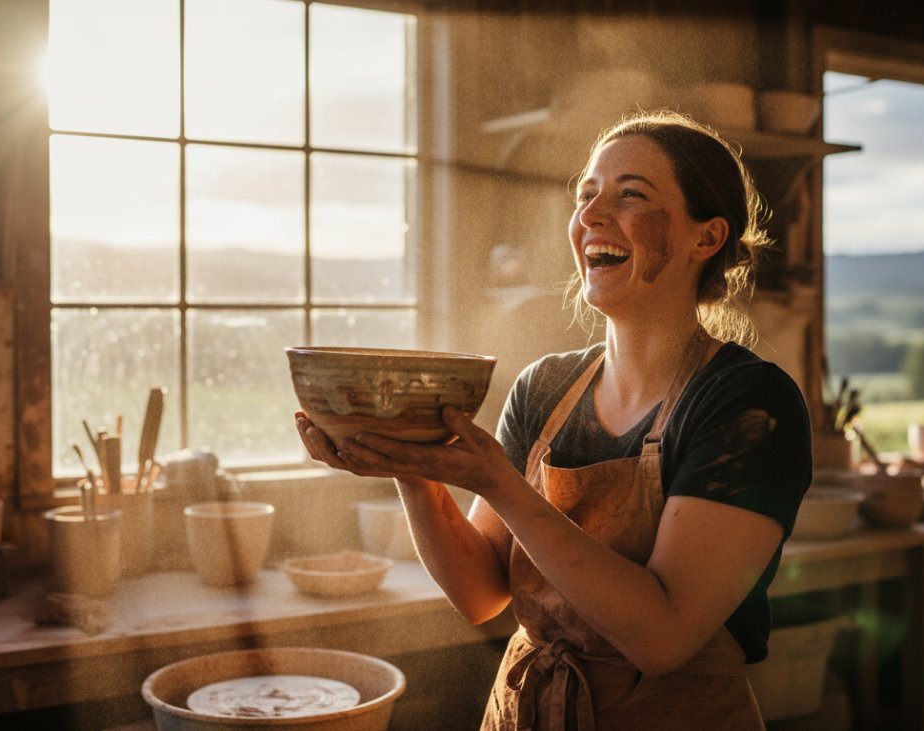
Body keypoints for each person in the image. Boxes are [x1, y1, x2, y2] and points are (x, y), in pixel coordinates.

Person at [295, 110, 812, 730]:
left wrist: (501, 485)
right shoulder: (545, 387)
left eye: (630, 196)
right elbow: (482, 592)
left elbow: (663, 637)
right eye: (586, 195)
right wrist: (412, 464)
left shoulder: (747, 402)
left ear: (706, 238)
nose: (591, 217)